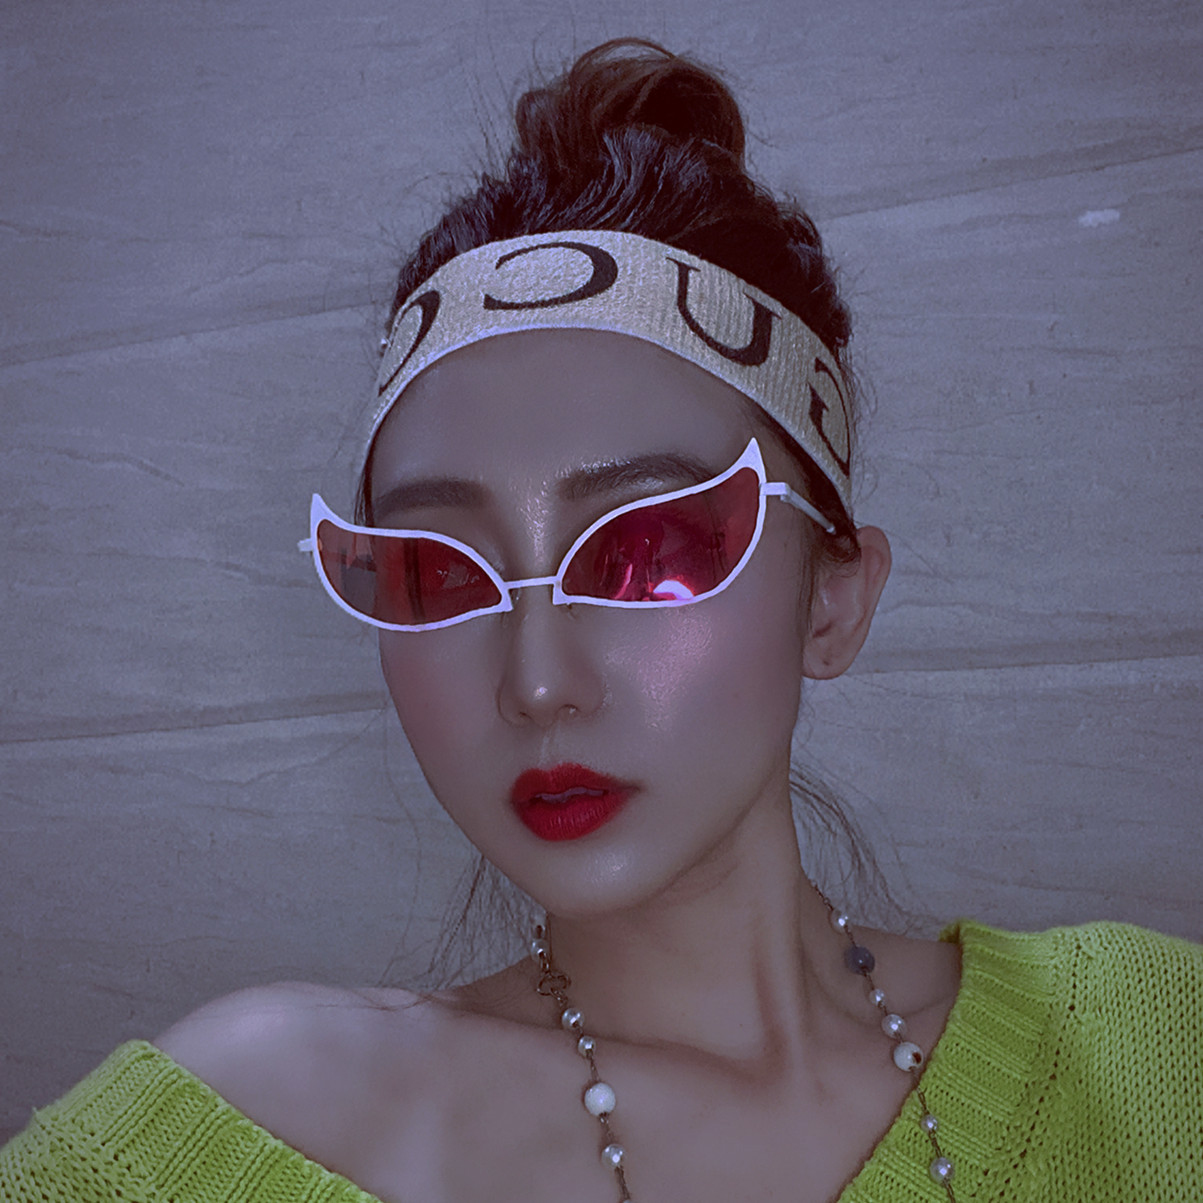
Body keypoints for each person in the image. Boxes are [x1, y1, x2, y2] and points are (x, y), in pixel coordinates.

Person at [2, 37, 1200, 1203]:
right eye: (439, 574)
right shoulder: (235, 1131)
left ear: (833, 602)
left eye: (647, 553)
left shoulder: (1152, 1049)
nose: (537, 682)